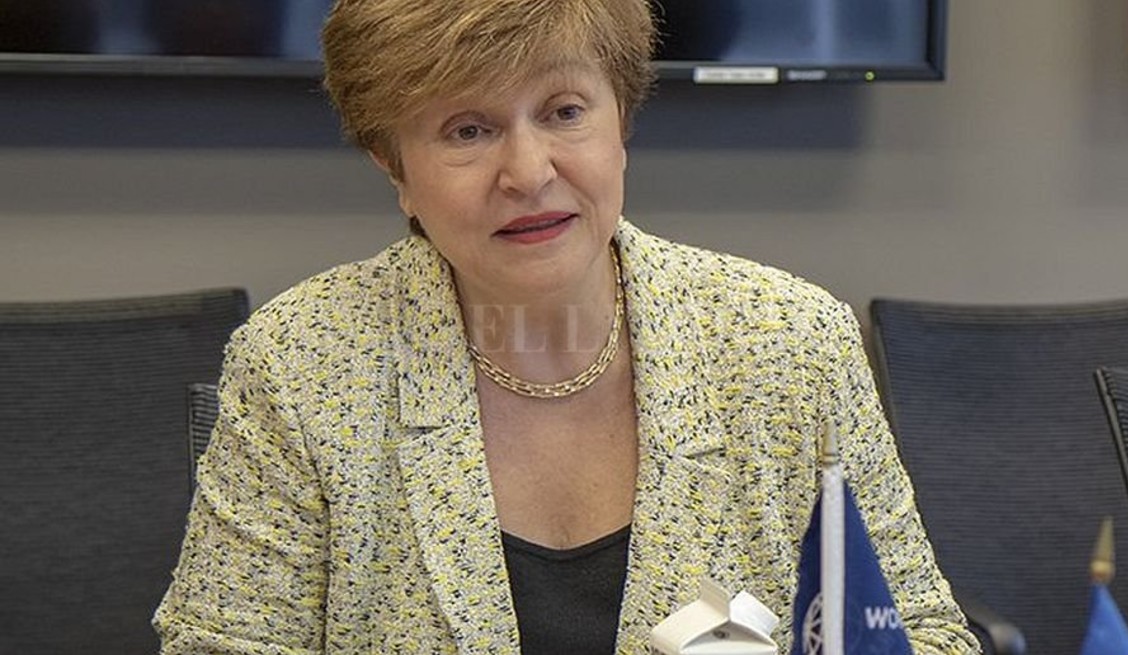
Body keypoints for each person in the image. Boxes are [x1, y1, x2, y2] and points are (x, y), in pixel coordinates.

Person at [153, 1, 981, 653]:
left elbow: (921, 632)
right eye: (468, 130)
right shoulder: (302, 362)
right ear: (394, 167)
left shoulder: (790, 342)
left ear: (621, 123)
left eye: (563, 111)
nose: (528, 171)